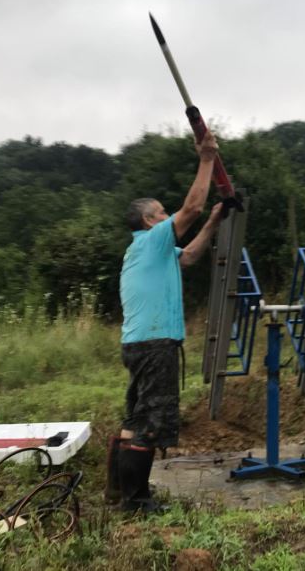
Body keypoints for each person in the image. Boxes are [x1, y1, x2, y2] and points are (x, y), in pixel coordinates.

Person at [105, 130, 223, 512]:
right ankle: (136, 502)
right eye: (159, 211)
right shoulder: (151, 239)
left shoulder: (151, 249)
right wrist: (206, 159)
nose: (165, 214)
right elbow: (190, 210)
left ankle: (117, 490)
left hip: (141, 342)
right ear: (147, 219)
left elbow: (188, 256)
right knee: (150, 421)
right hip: (155, 344)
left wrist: (215, 221)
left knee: (135, 417)